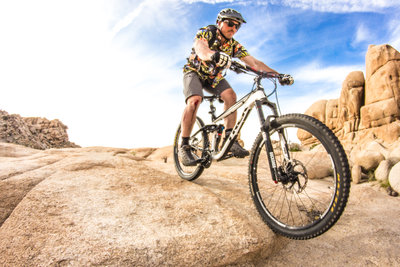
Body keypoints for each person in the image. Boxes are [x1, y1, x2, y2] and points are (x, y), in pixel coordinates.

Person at [179, 8, 280, 166]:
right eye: (230, 23)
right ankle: (184, 146)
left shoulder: (234, 46)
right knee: (195, 100)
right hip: (194, 72)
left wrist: (278, 75)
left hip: (213, 78)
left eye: (237, 26)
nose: (233, 28)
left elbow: (254, 63)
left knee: (231, 96)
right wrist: (213, 55)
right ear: (219, 23)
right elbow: (201, 49)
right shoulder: (208, 32)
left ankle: (229, 140)